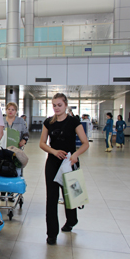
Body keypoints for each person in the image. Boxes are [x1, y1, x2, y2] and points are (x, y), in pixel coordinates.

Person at [39, 93, 89, 246]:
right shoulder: (48, 122)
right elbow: (42, 143)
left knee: (70, 195)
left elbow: (85, 143)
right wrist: (53, 151)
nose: (56, 108)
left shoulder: (73, 121)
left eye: (59, 105)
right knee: (52, 198)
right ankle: (52, 233)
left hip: (69, 162)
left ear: (66, 105)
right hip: (53, 163)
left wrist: (75, 155)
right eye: (54, 105)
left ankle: (71, 220)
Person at [2, 102, 29, 201]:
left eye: (13, 110)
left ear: (16, 111)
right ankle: (3, 191)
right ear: (6, 110)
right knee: (2, 169)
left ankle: (11, 193)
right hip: (3, 149)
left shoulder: (20, 121)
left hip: (15, 150)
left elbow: (26, 134)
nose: (10, 111)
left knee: (13, 170)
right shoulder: (1, 120)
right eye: (9, 109)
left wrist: (23, 141)